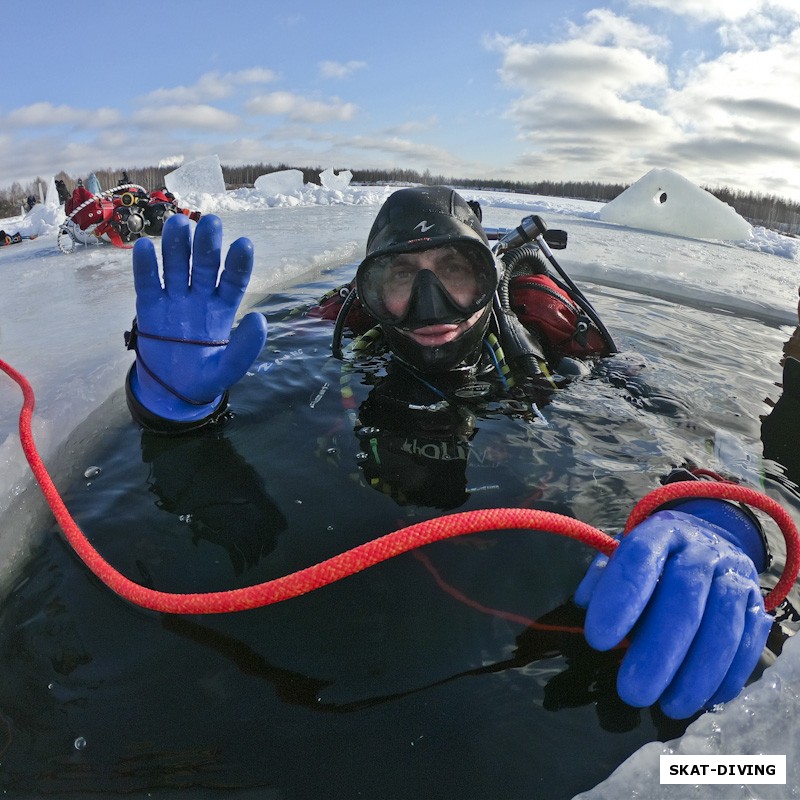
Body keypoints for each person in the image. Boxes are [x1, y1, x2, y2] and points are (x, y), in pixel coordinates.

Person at [122, 186, 779, 722]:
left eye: (455, 273)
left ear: (488, 278)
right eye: (401, 276)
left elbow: (690, 425)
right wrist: (178, 412)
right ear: (370, 293)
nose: (432, 306)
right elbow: (255, 354)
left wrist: (720, 513)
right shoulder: (343, 323)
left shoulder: (550, 334)